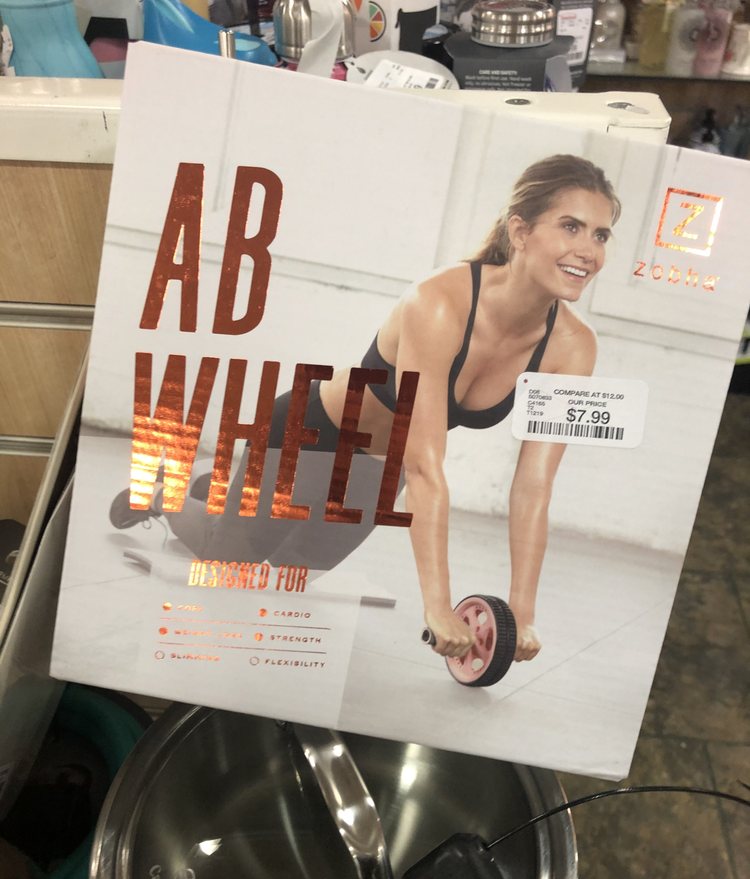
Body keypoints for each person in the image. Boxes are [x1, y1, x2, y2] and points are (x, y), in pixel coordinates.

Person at [111, 154, 620, 666]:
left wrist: (521, 614)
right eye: (570, 226)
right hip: (311, 434)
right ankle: (165, 491)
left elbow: (534, 486)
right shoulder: (440, 302)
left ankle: (222, 488)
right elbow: (425, 467)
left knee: (291, 576)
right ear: (521, 230)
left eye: (600, 235)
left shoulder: (574, 347)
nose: (588, 251)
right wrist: (438, 606)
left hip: (377, 469)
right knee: (231, 563)